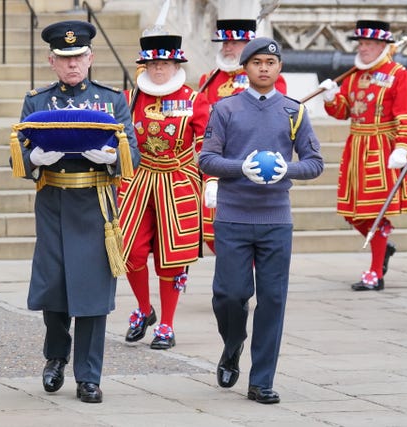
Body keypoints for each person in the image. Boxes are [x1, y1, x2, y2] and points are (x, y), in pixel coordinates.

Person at [11, 20, 139, 403]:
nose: (72, 65)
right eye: (64, 58)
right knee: (53, 288)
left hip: (96, 203)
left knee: (92, 293)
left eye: (79, 57)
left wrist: (113, 156)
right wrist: (33, 157)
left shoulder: (112, 99)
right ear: (52, 61)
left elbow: (132, 149)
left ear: (91, 58)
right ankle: (55, 357)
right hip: (53, 202)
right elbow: (17, 150)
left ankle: (88, 376)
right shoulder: (37, 100)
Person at [199, 37, 324, 404]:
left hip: (275, 219)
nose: (264, 68)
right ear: (245, 68)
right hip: (234, 216)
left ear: (279, 67)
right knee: (229, 295)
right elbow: (206, 159)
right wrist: (243, 168)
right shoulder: (226, 109)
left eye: (271, 61)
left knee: (272, 299)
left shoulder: (293, 111)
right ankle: (233, 341)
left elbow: (315, 162)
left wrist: (287, 168)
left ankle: (261, 380)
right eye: (257, 62)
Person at [118, 33, 209, 349]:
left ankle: (167, 325)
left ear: (176, 64)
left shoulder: (195, 100)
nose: (158, 69)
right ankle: (144, 309)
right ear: (144, 66)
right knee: (129, 250)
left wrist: (210, 180)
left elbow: (207, 147)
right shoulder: (129, 99)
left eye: (165, 63)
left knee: (172, 258)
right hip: (139, 181)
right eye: (153, 63)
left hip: (177, 182)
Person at [319, 20, 407, 291]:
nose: (363, 48)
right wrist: (331, 98)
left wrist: (403, 146)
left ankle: (375, 272)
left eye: (369, 44)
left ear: (383, 46)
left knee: (373, 212)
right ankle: (382, 245)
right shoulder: (354, 75)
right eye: (361, 43)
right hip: (356, 147)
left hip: (382, 148)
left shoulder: (399, 75)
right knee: (352, 212)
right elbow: (344, 111)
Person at [199, 19, 288, 254]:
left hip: (255, 158)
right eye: (225, 42)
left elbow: (276, 116)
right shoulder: (209, 78)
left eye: (235, 42)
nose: (228, 47)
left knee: (252, 231)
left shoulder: (266, 77)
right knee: (211, 231)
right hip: (219, 160)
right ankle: (237, 275)